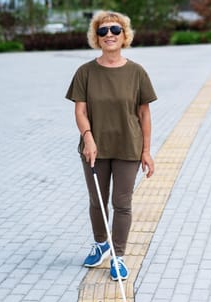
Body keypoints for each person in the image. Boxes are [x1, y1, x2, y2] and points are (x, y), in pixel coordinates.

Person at [66, 10, 157, 281]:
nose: (109, 35)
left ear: (124, 35)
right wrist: (88, 138)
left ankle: (118, 256)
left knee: (122, 203)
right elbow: (80, 111)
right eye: (103, 31)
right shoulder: (85, 72)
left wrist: (146, 151)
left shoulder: (137, 72)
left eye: (115, 30)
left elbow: (144, 114)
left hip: (128, 146)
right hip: (94, 148)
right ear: (96, 37)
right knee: (97, 201)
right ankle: (101, 243)